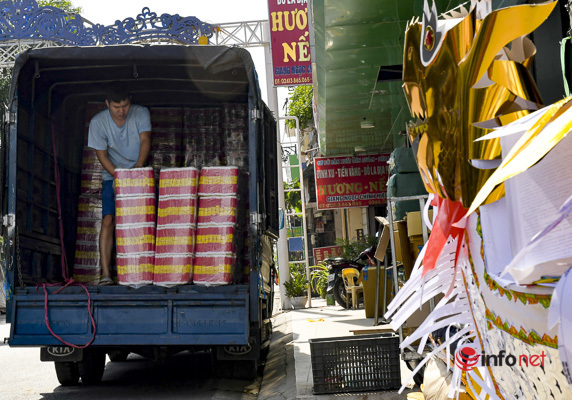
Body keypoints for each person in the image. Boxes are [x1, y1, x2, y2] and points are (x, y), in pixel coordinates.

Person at [88, 83, 151, 285]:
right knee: (108, 220)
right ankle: (106, 274)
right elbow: (102, 155)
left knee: (144, 222)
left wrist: (138, 168)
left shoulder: (141, 113)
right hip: (112, 176)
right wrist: (120, 177)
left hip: (139, 173)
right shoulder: (98, 123)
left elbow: (145, 140)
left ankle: (144, 273)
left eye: (124, 105)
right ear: (107, 104)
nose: (121, 111)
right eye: (116, 107)